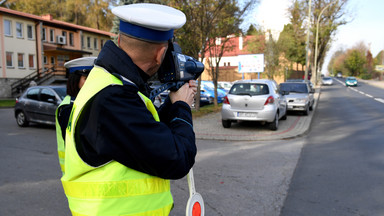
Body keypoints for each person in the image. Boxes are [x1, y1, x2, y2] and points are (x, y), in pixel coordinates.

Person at [60, 3, 198, 216]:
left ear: (119, 39)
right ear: (160, 53)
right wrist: (182, 106)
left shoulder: (108, 82)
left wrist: (173, 103)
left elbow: (145, 136)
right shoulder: (114, 97)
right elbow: (178, 159)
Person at [55, 56, 96, 175]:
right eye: (86, 78)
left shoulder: (87, 101)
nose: (90, 82)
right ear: (75, 80)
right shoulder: (68, 108)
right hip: (78, 172)